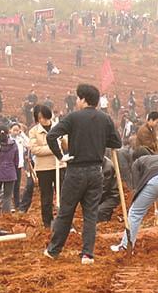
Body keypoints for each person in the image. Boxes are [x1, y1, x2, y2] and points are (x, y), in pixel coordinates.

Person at [44, 84, 122, 264]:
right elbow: (116, 143)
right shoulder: (105, 118)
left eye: (78, 98)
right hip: (97, 171)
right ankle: (87, 254)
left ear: (84, 99)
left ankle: (54, 250)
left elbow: (51, 136)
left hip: (75, 171)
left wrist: (61, 156)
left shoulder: (73, 117)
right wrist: (100, 140)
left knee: (66, 212)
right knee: (90, 214)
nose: (77, 102)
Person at [111, 147, 158, 252]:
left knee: (135, 213)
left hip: (154, 181)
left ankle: (125, 246)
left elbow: (137, 186)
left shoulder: (137, 162)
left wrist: (136, 200)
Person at [28, 104, 67, 228]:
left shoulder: (59, 127)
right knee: (46, 196)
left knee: (63, 194)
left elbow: (66, 147)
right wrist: (53, 148)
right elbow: (35, 149)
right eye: (39, 118)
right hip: (43, 168)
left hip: (59, 165)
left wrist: (62, 141)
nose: (42, 120)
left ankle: (64, 220)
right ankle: (47, 222)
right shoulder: (33, 131)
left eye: (44, 117)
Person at [0, 130, 18, 213]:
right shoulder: (14, 145)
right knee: (7, 196)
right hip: (11, 172)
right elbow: (16, 160)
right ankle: (6, 214)